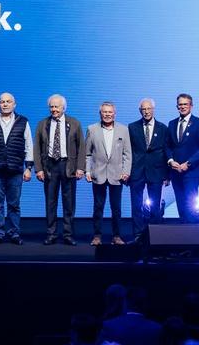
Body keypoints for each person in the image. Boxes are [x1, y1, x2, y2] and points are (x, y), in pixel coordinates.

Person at [0, 92, 33, 245]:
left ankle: (14, 233)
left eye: (8, 101)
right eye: (2, 102)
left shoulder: (23, 121)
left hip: (16, 170)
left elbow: (29, 145)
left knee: (14, 204)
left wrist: (28, 168)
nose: (5, 104)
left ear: (14, 104)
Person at [34, 94, 85, 245]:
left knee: (69, 203)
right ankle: (51, 234)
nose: (54, 109)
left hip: (68, 167)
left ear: (64, 108)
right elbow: (37, 148)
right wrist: (39, 169)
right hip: (49, 167)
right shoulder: (42, 124)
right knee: (50, 202)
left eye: (57, 106)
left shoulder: (74, 123)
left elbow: (81, 147)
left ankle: (68, 234)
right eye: (51, 106)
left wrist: (80, 168)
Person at [84, 102, 132, 246]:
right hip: (98, 174)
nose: (107, 114)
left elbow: (127, 154)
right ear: (100, 114)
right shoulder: (92, 129)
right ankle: (97, 236)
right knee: (98, 207)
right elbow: (87, 153)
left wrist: (126, 172)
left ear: (114, 114)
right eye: (104, 112)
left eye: (110, 112)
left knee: (116, 208)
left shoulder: (123, 130)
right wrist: (87, 171)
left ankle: (116, 236)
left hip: (117, 175)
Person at [128, 98, 169, 242]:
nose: (146, 112)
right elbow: (128, 151)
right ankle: (138, 235)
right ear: (140, 111)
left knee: (155, 205)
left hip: (156, 172)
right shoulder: (132, 127)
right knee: (136, 205)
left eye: (149, 108)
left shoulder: (163, 128)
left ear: (153, 109)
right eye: (143, 109)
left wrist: (166, 174)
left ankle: (155, 234)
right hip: (136, 171)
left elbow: (166, 151)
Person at [166, 93, 199, 219]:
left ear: (191, 106)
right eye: (180, 104)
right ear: (177, 107)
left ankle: (192, 230)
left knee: (191, 206)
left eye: (185, 104)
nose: (183, 106)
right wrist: (170, 161)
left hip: (192, 171)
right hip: (175, 171)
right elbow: (167, 146)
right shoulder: (172, 124)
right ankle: (183, 229)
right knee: (180, 205)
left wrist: (188, 163)